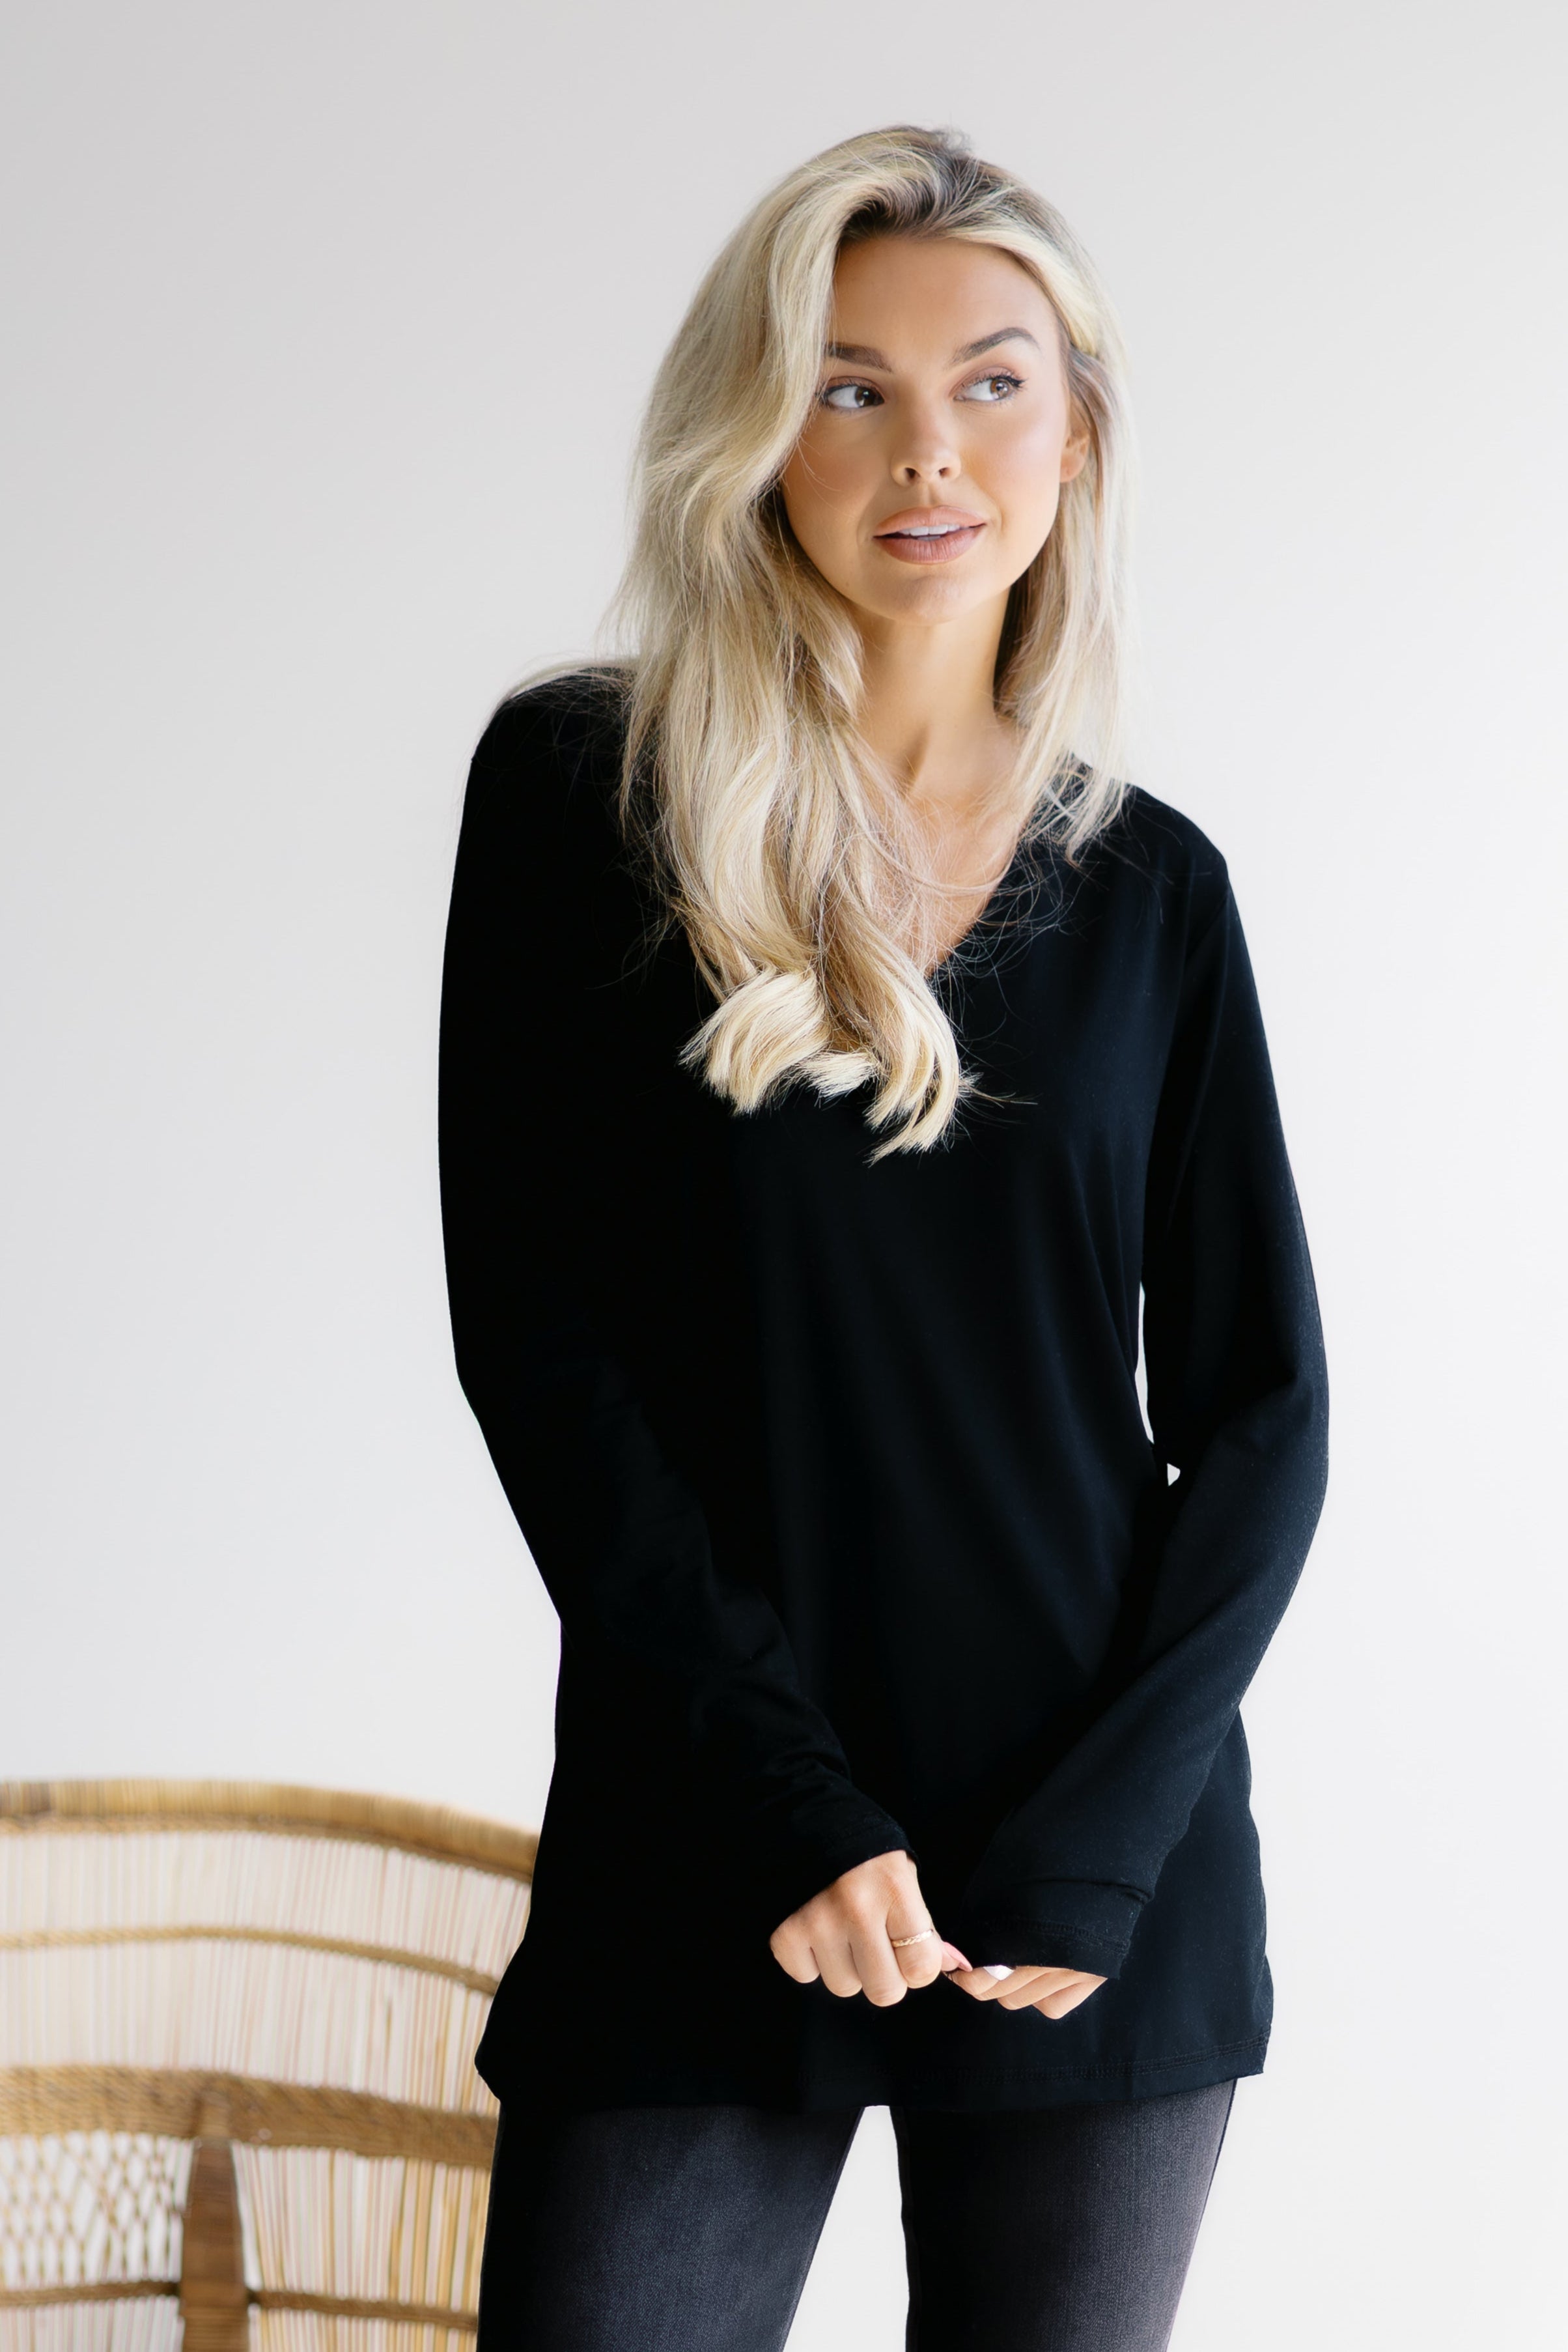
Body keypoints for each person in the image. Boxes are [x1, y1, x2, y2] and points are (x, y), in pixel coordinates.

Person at [440, 124, 1328, 2352]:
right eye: (850, 386)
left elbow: (1263, 1404)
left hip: (1087, 1888)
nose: (929, 450)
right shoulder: (583, 800)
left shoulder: (1157, 894)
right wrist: (785, 1812)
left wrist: (1108, 1840)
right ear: (757, 428)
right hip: (707, 1836)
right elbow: (542, 1352)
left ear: (1078, 432)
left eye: (992, 383)